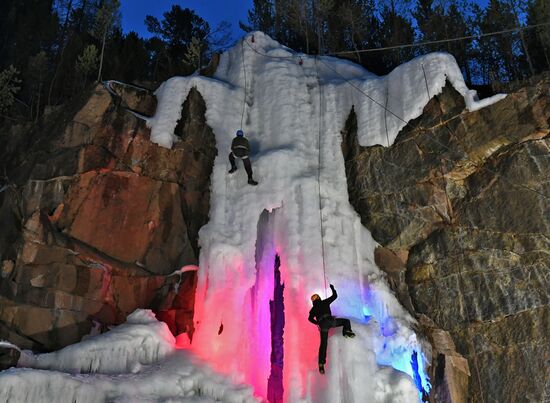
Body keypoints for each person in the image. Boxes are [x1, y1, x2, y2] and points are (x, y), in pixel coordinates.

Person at [308, 284, 355, 374]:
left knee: (323, 344)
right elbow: (335, 296)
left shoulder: (313, 309)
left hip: (323, 326)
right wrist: (332, 288)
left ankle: (321, 363)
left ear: (313, 301)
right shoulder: (324, 302)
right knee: (346, 321)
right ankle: (346, 332)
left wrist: (317, 323)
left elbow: (309, 318)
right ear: (319, 298)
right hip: (330, 321)